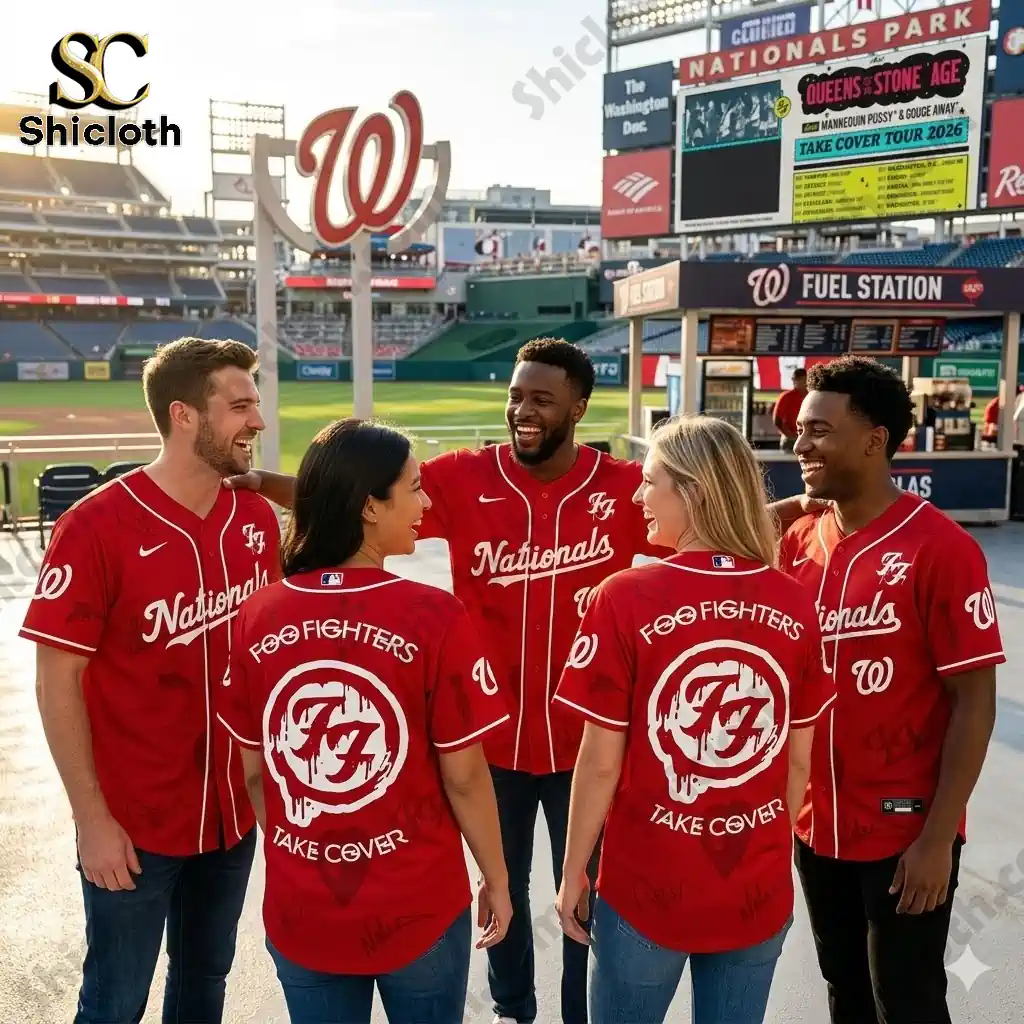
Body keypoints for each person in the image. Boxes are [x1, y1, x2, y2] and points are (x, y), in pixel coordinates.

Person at [226, 338, 811, 1024]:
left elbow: (716, 527)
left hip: (586, 741)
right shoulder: (461, 477)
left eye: (541, 398)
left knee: (582, 896)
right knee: (500, 891)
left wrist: (805, 505)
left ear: (578, 407)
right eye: (514, 395)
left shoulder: (627, 485)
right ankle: (513, 1010)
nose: (521, 410)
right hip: (488, 737)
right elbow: (351, 496)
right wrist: (263, 484)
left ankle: (572, 1014)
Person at [215, 418, 513, 1024]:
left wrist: (306, 849)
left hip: (304, 906)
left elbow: (253, 774)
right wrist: (498, 878)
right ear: (371, 506)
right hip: (419, 906)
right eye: (414, 487)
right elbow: (464, 778)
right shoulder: (435, 615)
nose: (427, 503)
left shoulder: (256, 614)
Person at [20, 337, 282, 1024]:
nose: (256, 421)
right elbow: (56, 683)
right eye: (240, 406)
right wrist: (91, 820)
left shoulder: (253, 517)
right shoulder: (95, 525)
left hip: (231, 814)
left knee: (204, 984)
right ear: (185, 415)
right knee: (115, 1001)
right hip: (132, 827)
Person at [552, 413, 835, 1024]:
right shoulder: (792, 599)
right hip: (754, 884)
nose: (636, 495)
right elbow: (797, 758)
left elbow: (600, 761)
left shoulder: (621, 596)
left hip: (645, 885)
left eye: (650, 481)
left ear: (693, 490)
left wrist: (575, 868)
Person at [783, 356, 1004, 1024]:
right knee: (844, 992)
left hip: (907, 831)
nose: (800, 443)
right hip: (815, 824)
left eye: (819, 429)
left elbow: (975, 702)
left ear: (874, 439)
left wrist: (938, 837)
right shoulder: (797, 542)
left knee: (904, 1002)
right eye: (800, 429)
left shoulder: (942, 548)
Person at [773, 366, 807, 451]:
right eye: (797, 380)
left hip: (808, 438)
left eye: (803, 380)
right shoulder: (786, 397)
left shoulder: (811, 396)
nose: (803, 383)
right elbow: (777, 420)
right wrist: (791, 436)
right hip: (790, 440)